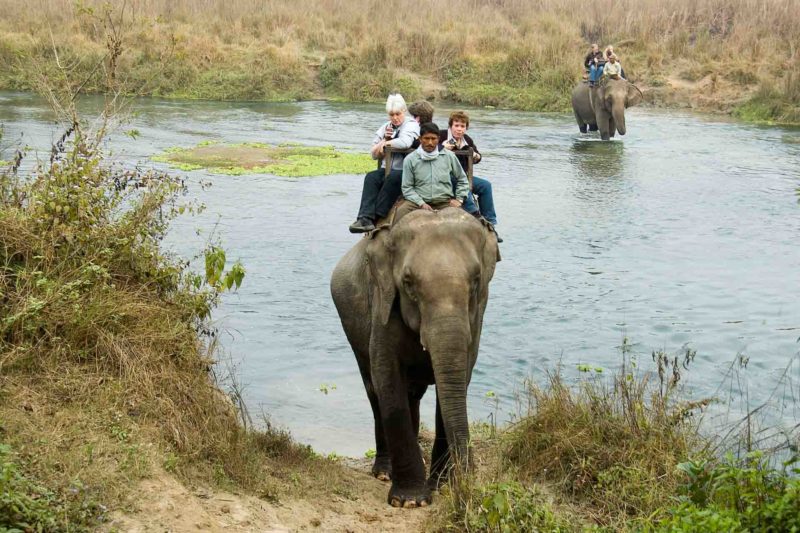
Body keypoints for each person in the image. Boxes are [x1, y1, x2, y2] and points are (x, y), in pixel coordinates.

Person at [349, 93, 419, 233]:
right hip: (387, 167)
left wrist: (387, 143)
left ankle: (378, 215)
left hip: (404, 169)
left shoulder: (411, 125)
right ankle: (365, 217)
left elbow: (406, 142)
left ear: (404, 111)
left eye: (397, 114)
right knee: (371, 177)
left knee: (392, 178)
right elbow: (373, 154)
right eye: (391, 115)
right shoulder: (386, 127)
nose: (395, 118)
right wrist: (383, 141)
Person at [441, 110, 502, 242]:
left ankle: (490, 224)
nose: (459, 129)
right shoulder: (441, 136)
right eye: (456, 125)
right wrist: (441, 148)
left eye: (462, 126)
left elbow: (478, 156)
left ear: (466, 128)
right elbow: (423, 148)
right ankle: (475, 214)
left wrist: (475, 155)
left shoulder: (467, 140)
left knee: (485, 185)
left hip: (464, 176)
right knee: (464, 185)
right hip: (444, 177)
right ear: (450, 126)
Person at [393, 122, 469, 224]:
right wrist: (421, 203)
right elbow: (407, 187)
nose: (430, 142)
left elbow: (462, 179)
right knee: (399, 217)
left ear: (438, 139)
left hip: (444, 202)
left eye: (433, 139)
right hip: (416, 202)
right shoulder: (410, 159)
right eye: (426, 138)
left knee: (468, 223)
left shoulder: (449, 156)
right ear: (420, 139)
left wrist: (459, 200)